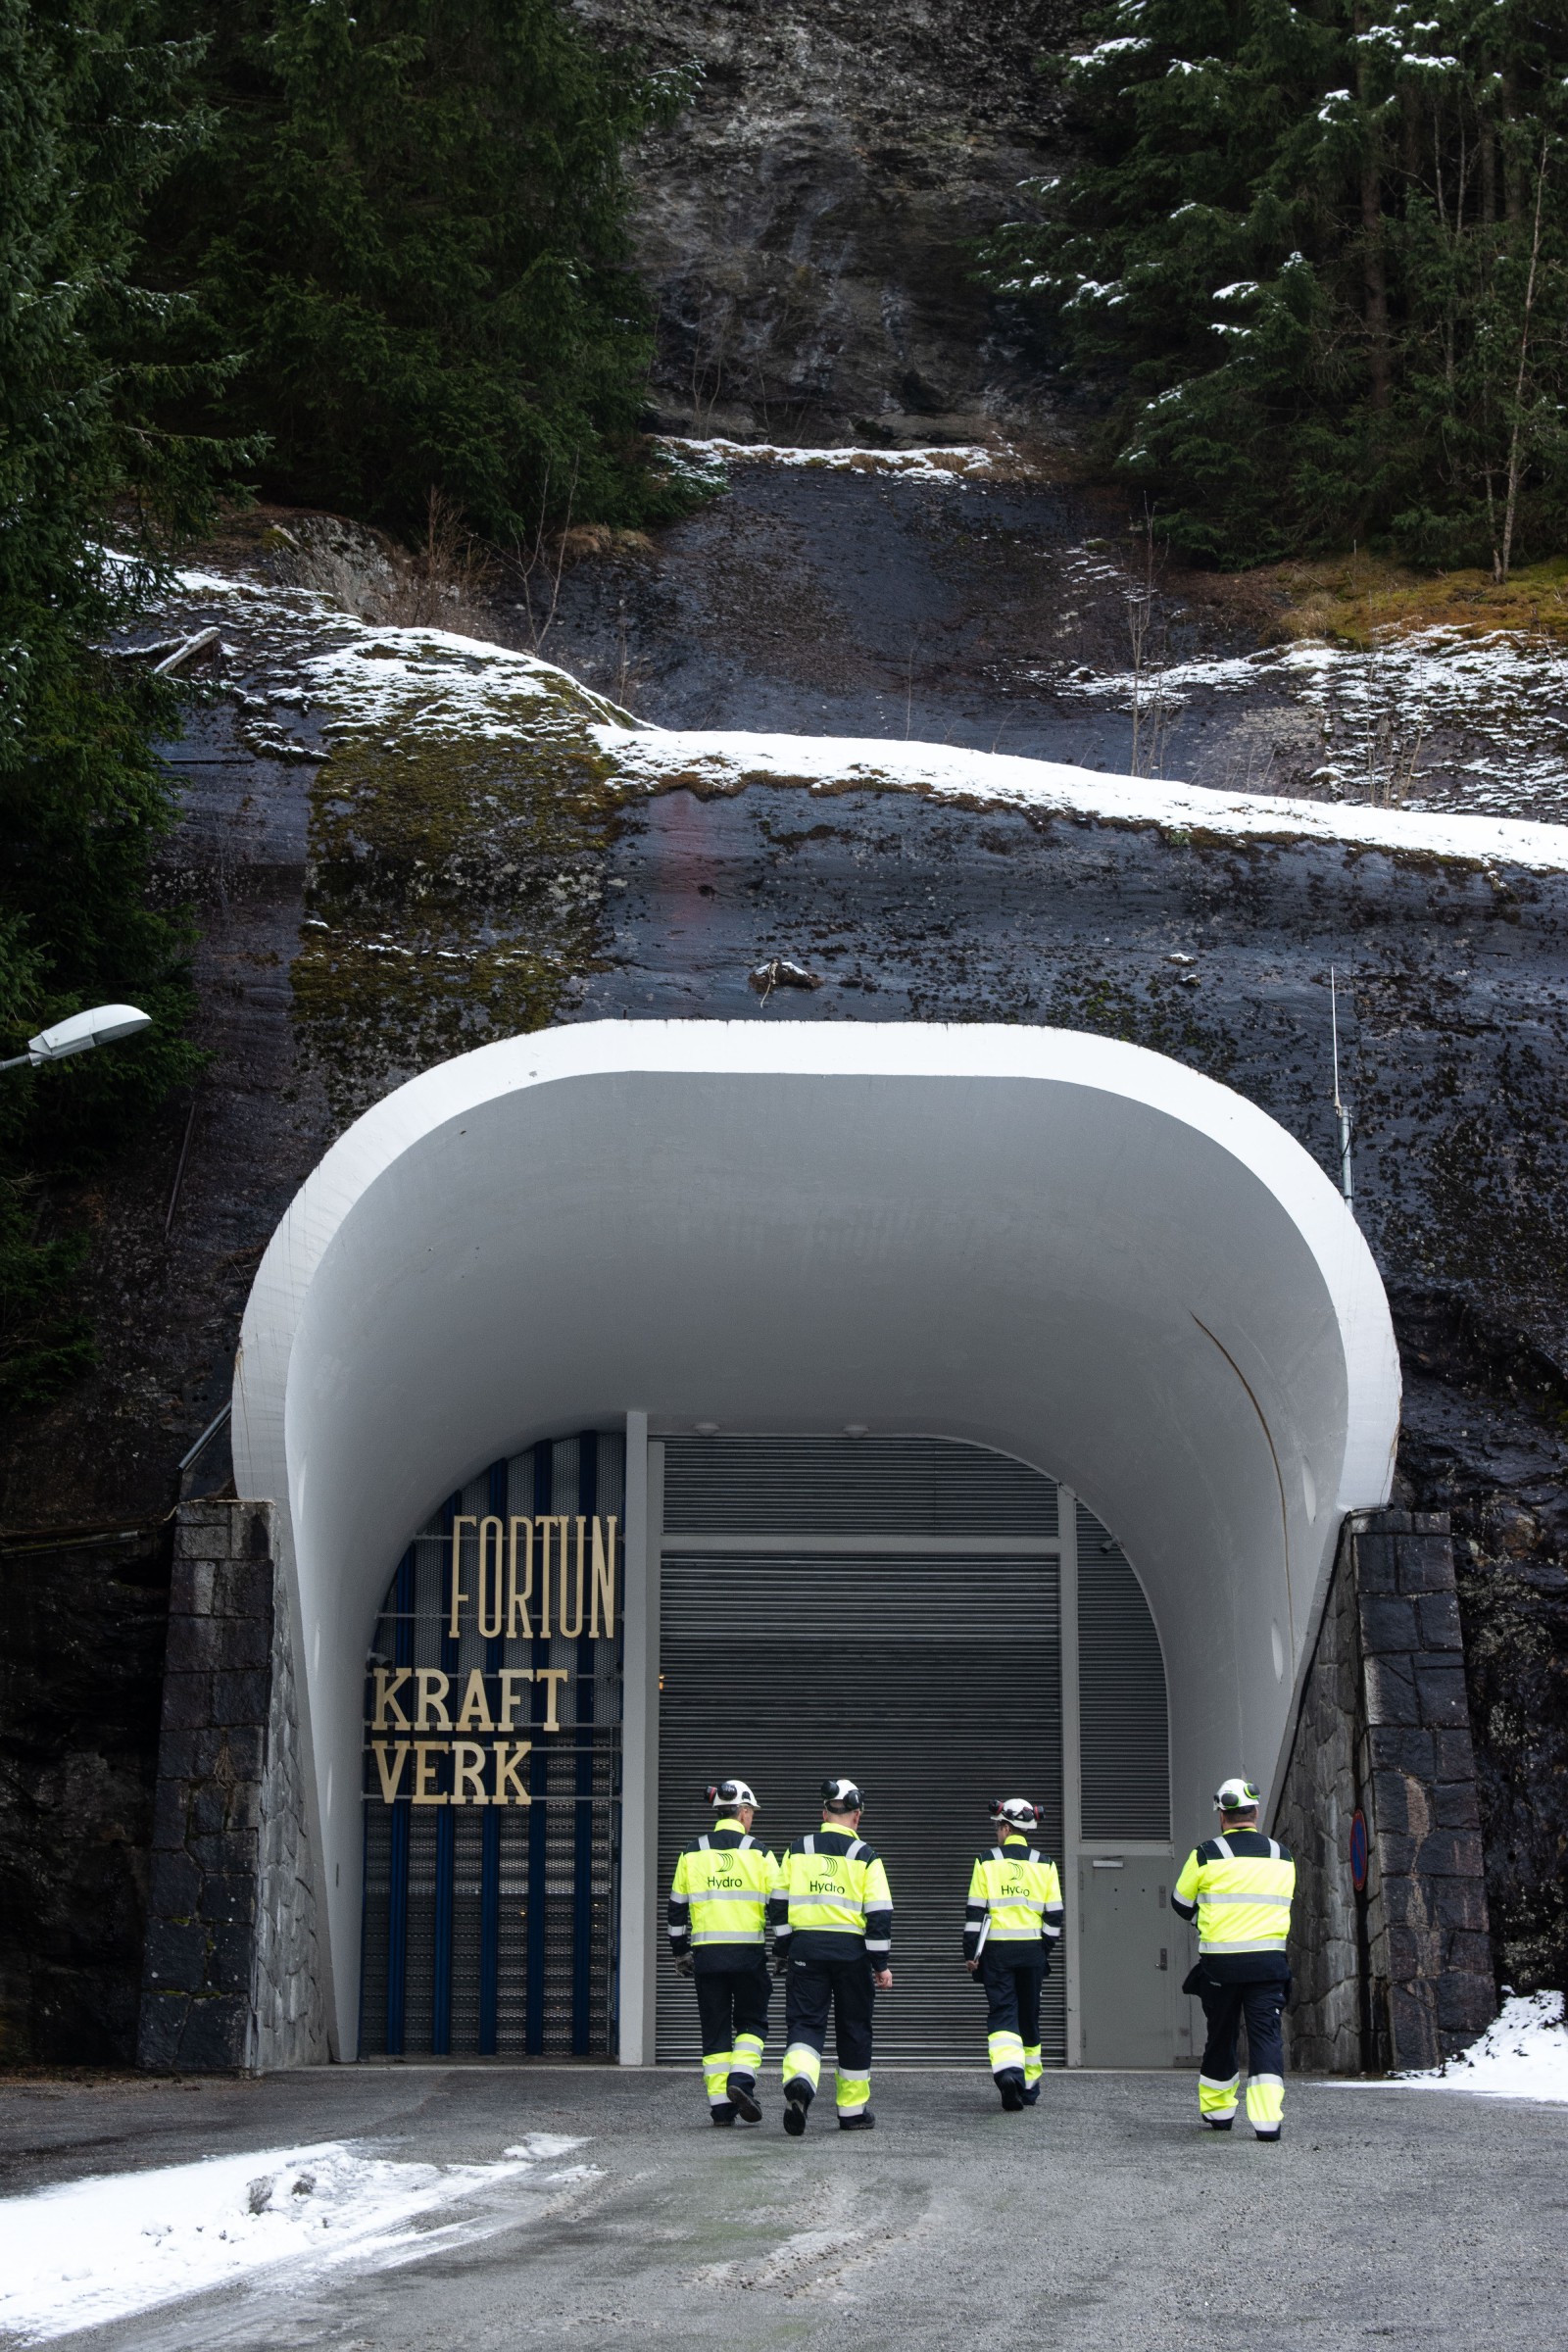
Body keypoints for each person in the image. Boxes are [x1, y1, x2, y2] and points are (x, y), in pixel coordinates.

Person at [1171, 1775, 1296, 2142]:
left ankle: (1219, 2112)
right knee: (1266, 2039)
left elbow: (1181, 1903)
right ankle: (1267, 2122)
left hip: (1221, 1966)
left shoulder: (1206, 1853)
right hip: (1268, 1966)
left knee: (1221, 2035)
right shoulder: (1282, 1855)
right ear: (1255, 1812)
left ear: (1221, 1815)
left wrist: (1207, 1917)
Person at [770, 1777, 893, 2135]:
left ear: (824, 1812)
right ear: (857, 1816)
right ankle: (852, 2112)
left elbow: (778, 1905)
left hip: (806, 1950)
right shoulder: (867, 1855)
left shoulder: (797, 1849)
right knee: (854, 2028)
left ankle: (800, 2084)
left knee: (806, 2023)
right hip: (851, 1953)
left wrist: (784, 1948)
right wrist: (880, 1965)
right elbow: (880, 1914)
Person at [667, 1778, 776, 2126]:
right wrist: (786, 1949)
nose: (752, 1819)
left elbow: (675, 1910)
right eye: (752, 1813)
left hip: (707, 1957)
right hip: (748, 1956)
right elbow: (781, 1907)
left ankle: (720, 2108)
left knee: (714, 2029)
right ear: (743, 1812)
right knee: (752, 2022)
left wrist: (680, 1952)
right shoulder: (760, 1852)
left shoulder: (691, 1852)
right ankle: (741, 2081)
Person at [962, 1796, 1064, 2110]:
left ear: (1006, 1827)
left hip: (997, 1954)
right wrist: (1042, 1948)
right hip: (1032, 1954)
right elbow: (1054, 1916)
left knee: (1003, 2013)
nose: (997, 1833)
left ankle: (1008, 2074)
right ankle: (1029, 2088)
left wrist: (971, 1953)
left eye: (998, 1828)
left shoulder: (986, 1861)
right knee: (1029, 2017)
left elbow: (975, 1914)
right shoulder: (1045, 1864)